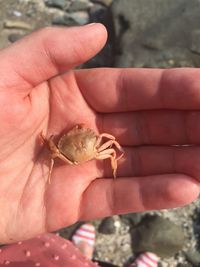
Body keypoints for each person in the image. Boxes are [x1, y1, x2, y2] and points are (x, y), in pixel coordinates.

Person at [0, 23, 199, 265]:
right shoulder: (98, 143)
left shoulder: (63, 147)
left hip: (66, 155)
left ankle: (82, 251)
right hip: (79, 153)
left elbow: (62, 146)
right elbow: (110, 142)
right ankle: (85, 255)